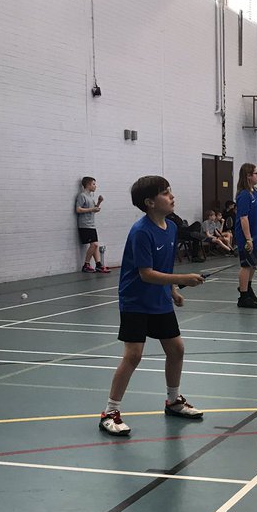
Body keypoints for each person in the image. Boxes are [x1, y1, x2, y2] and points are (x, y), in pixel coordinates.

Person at [98, 175, 205, 437]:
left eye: (170, 191)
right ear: (150, 202)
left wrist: (173, 290)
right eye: (165, 193)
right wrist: (182, 279)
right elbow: (146, 273)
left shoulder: (171, 228)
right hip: (135, 300)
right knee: (133, 355)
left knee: (176, 349)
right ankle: (110, 412)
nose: (172, 196)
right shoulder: (141, 232)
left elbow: (163, 266)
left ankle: (174, 401)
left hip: (159, 299)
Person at [235, 163, 257, 309]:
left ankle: (247, 288)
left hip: (256, 234)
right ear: (248, 176)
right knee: (246, 265)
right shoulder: (244, 195)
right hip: (246, 236)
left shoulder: (256, 193)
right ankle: (243, 297)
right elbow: (243, 218)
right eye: (255, 173)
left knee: (254, 263)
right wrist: (248, 239)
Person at [75, 176, 110, 273]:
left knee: (95, 245)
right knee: (94, 244)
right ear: (88, 185)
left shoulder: (90, 197)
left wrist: (99, 202)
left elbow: (93, 210)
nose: (95, 186)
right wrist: (92, 209)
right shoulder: (82, 196)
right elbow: (78, 209)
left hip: (91, 224)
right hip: (85, 224)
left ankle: (98, 265)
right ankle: (86, 264)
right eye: (93, 184)